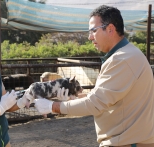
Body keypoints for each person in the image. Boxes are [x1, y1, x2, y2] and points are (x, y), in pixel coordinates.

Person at [32, 5, 154, 147]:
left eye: (93, 31)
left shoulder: (122, 59)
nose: (90, 37)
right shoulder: (126, 55)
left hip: (127, 142)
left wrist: (53, 106)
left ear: (110, 29)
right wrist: (74, 99)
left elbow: (96, 104)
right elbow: (106, 98)